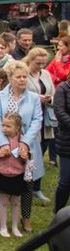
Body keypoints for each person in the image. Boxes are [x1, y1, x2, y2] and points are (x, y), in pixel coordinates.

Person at [0, 60, 44, 233]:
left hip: (26, 145)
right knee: (2, 179)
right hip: (5, 145)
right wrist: (3, 144)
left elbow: (37, 120)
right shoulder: (0, 97)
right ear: (10, 78)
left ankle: (26, 217)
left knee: (27, 183)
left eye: (25, 76)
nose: (22, 80)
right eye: (19, 77)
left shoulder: (34, 98)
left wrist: (25, 142)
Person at [24, 47, 55, 201]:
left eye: (44, 63)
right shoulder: (23, 74)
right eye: (38, 63)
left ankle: (36, 187)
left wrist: (49, 99)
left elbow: (53, 91)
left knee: (41, 153)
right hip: (28, 120)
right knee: (29, 154)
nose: (41, 66)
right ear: (30, 60)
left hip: (44, 118)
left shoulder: (46, 74)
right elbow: (20, 94)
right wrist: (37, 98)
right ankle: (25, 187)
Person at [0, 113, 27, 238]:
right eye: (3, 125)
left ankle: (15, 227)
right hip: (2, 173)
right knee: (3, 201)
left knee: (16, 202)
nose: (4, 128)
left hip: (17, 174)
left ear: (17, 128)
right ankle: (3, 227)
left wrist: (25, 157)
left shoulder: (23, 141)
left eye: (8, 126)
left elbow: (28, 157)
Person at [53, 69, 70, 211]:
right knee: (65, 181)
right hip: (66, 141)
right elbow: (59, 112)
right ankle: (58, 211)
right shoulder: (62, 89)